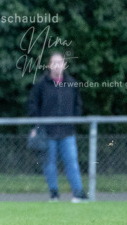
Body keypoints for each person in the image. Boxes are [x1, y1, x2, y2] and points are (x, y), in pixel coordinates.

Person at [28, 52, 88, 202]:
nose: (57, 66)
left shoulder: (71, 83)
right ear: (49, 65)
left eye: (59, 62)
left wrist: (73, 121)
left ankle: (78, 194)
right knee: (49, 165)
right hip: (48, 132)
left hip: (67, 132)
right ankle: (54, 194)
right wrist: (38, 126)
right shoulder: (41, 84)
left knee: (72, 163)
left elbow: (78, 105)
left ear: (64, 65)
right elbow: (33, 106)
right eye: (54, 63)